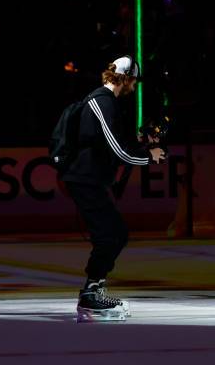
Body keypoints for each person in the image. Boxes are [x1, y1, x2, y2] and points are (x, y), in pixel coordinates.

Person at [61, 56, 165, 321]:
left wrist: (142, 143)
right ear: (126, 78)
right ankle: (91, 295)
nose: (134, 87)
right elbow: (117, 148)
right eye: (133, 81)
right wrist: (147, 157)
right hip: (83, 179)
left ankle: (93, 290)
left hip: (90, 179)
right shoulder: (100, 101)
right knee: (112, 234)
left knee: (112, 234)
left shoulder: (107, 103)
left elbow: (114, 142)